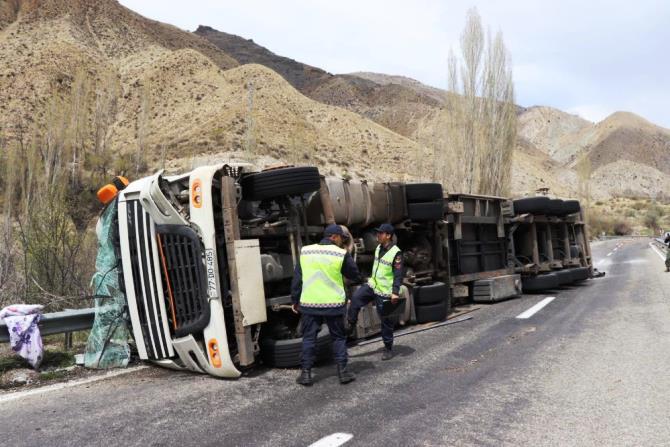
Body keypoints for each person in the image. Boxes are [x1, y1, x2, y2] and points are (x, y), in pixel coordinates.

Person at [291, 224, 362, 386]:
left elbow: (297, 280)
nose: (341, 243)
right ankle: (343, 373)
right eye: (341, 239)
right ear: (334, 237)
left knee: (309, 337)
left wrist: (295, 300)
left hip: (310, 303)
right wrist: (352, 281)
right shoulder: (340, 254)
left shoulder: (306, 251)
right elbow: (355, 275)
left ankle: (306, 374)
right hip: (333, 304)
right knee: (338, 337)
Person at [347, 223, 404, 361]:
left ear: (388, 236)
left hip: (385, 291)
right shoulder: (378, 247)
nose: (377, 235)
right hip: (373, 285)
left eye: (380, 233)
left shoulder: (396, 253)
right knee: (355, 299)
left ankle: (388, 348)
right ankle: (350, 325)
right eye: (377, 233)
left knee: (386, 321)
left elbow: (398, 275)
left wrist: (395, 292)